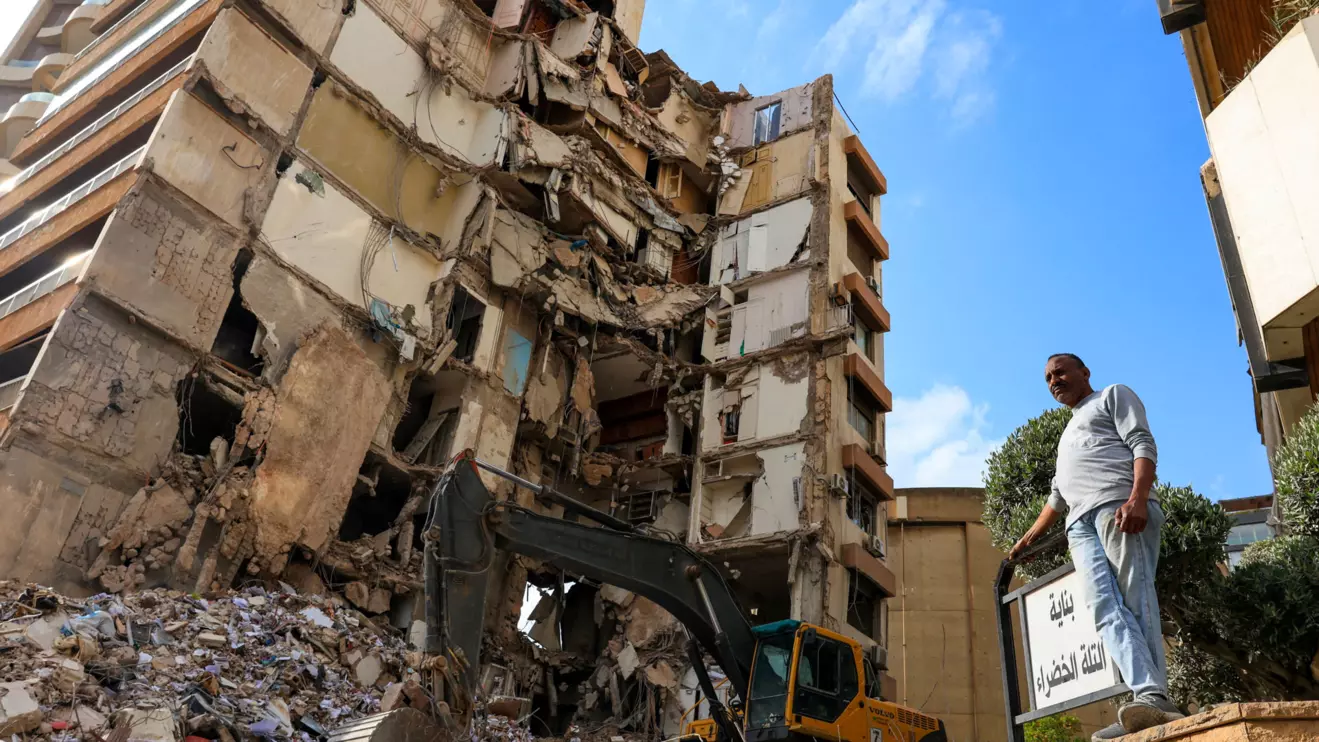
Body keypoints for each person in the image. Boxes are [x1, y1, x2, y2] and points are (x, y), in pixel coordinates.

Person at [1010, 354, 1184, 741]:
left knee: (1136, 598)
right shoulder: (1067, 432)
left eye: (1060, 372)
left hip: (1119, 507)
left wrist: (1138, 498)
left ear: (1084, 372)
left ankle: (1155, 697)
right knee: (1103, 606)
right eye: (1048, 378)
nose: (1054, 381)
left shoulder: (1112, 396)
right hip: (1079, 526)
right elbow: (1057, 497)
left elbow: (1142, 443)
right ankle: (1145, 696)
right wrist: (1027, 540)